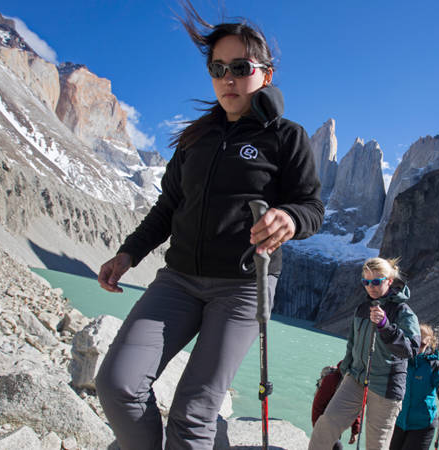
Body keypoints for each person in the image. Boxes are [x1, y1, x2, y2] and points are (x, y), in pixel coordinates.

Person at [93, 4, 324, 449]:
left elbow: (312, 206)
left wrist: (290, 218)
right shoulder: (196, 138)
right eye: (218, 68)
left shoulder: (286, 136)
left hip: (242, 288)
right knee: (117, 385)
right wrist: (127, 254)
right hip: (178, 281)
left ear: (265, 75)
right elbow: (168, 206)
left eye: (240, 67)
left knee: (194, 413)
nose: (228, 78)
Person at [309, 257, 420, 450]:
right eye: (366, 282)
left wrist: (386, 326)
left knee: (377, 444)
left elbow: (410, 350)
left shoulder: (403, 312)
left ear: (389, 281)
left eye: (376, 281)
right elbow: (352, 344)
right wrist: (342, 373)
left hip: (386, 386)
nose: (371, 287)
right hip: (356, 379)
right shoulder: (362, 309)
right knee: (326, 424)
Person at [389, 323, 439, 450]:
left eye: (422, 345)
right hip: (397, 421)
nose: (418, 347)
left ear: (429, 344)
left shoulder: (434, 366)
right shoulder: (400, 358)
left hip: (422, 425)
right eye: (416, 342)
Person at [312, 362, 361, 450]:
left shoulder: (356, 383)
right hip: (325, 418)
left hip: (338, 419)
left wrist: (355, 431)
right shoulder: (331, 380)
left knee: (335, 442)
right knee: (336, 446)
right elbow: (318, 405)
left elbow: (356, 407)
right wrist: (317, 428)